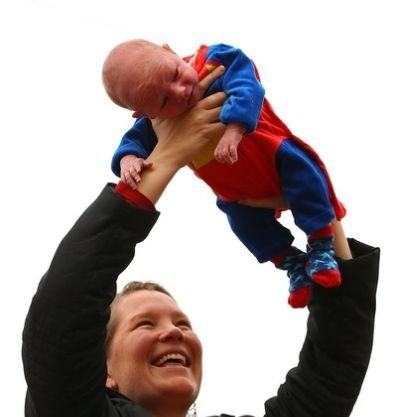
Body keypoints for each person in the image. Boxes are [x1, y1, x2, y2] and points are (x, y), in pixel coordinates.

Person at [23, 67, 379, 417]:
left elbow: (335, 366)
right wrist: (166, 156)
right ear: (105, 372)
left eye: (182, 323)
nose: (173, 331)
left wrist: (318, 217)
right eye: (146, 324)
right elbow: (63, 310)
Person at [103, 39, 347, 308]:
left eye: (174, 74)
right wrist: (128, 159)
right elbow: (133, 141)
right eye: (163, 100)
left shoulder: (214, 60)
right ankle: (292, 263)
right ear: (145, 112)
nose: (180, 91)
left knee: (305, 176)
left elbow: (246, 84)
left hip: (272, 155)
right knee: (243, 224)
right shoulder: (157, 122)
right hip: (237, 192)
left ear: (169, 50)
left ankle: (322, 244)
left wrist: (234, 128)